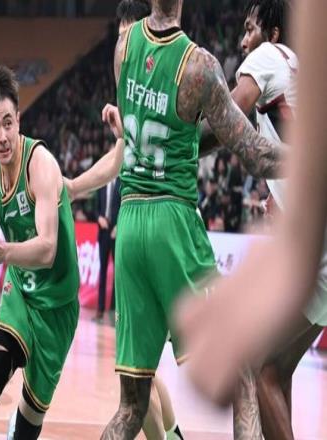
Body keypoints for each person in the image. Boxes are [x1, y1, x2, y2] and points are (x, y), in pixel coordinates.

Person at [68, 0, 283, 436]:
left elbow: (146, 125)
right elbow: (256, 156)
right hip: (173, 221)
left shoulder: (123, 48)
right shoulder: (199, 66)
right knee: (242, 370)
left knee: (131, 406)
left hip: (131, 223)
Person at [176, 0, 327, 411]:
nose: (243, 41)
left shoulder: (267, 56)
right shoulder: (299, 67)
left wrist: (175, 147)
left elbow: (228, 118)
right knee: (277, 371)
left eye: (249, 29)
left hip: (318, 251)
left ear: (272, 34)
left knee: (260, 369)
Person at [0, 65, 80, 440]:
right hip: (21, 299)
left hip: (58, 306)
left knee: (28, 426)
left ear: (19, 120)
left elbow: (47, 249)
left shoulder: (41, 164)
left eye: (8, 123)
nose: (3, 136)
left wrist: (4, 253)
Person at [95, 175, 120, 321]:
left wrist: (118, 225)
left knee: (118, 272)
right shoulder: (102, 183)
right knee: (102, 271)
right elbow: (95, 209)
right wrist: (99, 217)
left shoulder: (121, 182)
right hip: (103, 231)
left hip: (117, 231)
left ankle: (115, 309)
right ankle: (100, 308)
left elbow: (124, 206)